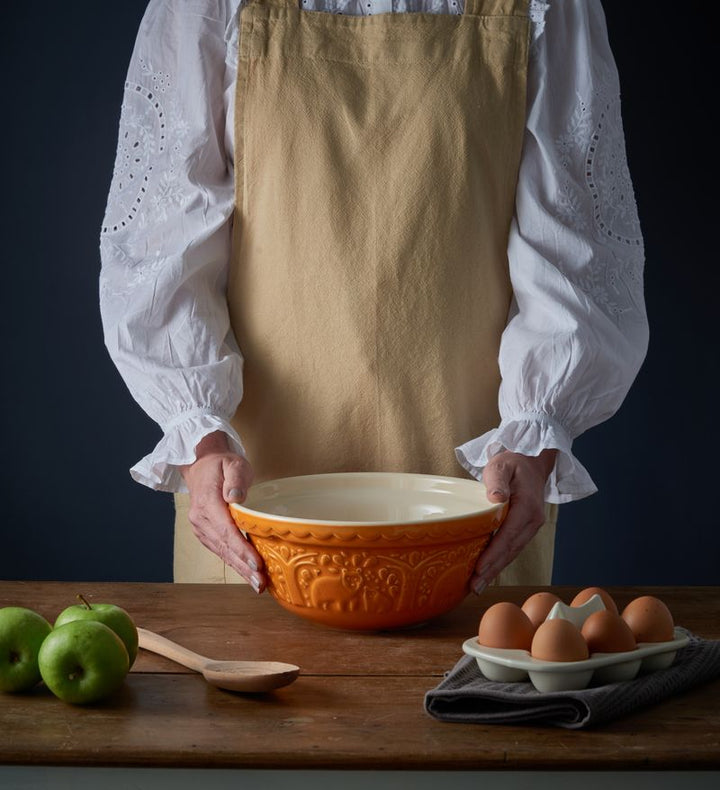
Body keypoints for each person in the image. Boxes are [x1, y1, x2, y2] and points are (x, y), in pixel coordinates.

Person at [99, 0, 647, 593]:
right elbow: (160, 248)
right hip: (251, 505)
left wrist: (536, 443)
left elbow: (575, 247)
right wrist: (198, 441)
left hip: (475, 499)